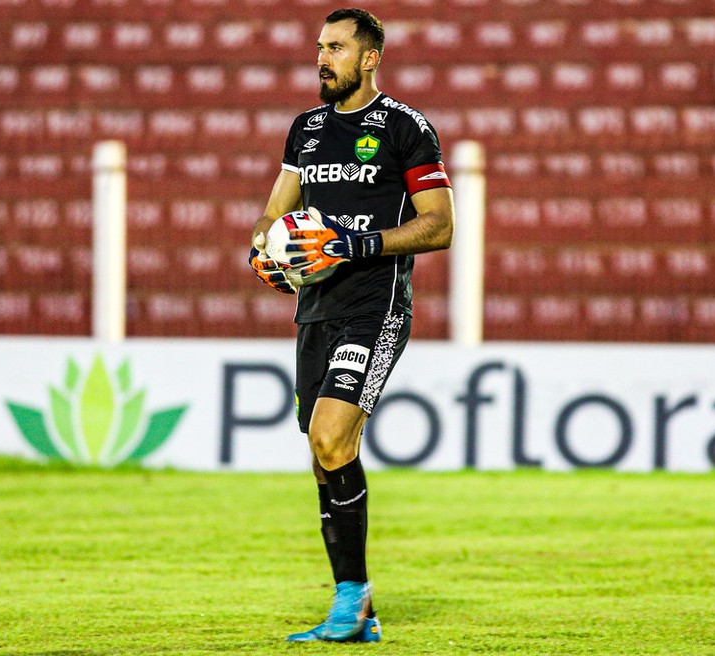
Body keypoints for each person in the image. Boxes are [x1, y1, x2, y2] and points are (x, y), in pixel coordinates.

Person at [248, 7, 455, 644]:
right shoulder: (305, 131)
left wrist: (349, 247)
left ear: (370, 58)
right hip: (315, 312)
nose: (322, 58)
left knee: (333, 438)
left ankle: (351, 599)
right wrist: (265, 254)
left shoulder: (405, 129)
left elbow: (438, 227)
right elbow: (272, 219)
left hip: (376, 307)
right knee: (323, 451)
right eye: (319, 46)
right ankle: (354, 601)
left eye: (336, 47)